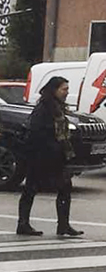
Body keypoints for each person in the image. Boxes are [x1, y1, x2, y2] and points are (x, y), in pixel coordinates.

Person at [17, 76, 84, 238]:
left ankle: (63, 225)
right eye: (64, 89)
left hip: (56, 155)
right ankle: (23, 224)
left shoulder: (58, 107)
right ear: (54, 90)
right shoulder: (44, 108)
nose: (67, 92)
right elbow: (38, 132)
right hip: (41, 156)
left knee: (64, 187)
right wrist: (53, 148)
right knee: (31, 189)